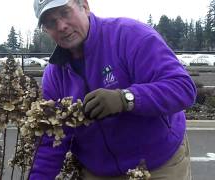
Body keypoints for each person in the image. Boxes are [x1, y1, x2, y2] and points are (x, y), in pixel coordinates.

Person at [30, 0, 197, 179]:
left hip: (158, 164)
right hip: (98, 172)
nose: (61, 26)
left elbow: (183, 88)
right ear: (46, 30)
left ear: (84, 6)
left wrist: (126, 99)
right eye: (51, 22)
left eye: (65, 12)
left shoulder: (130, 36)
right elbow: (51, 140)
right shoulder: (54, 75)